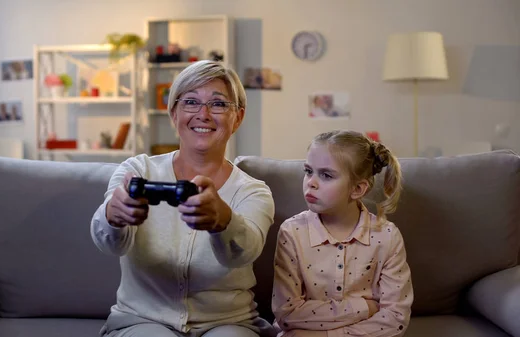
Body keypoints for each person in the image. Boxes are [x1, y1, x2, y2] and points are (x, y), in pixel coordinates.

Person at [90, 60, 277, 337]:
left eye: (218, 104)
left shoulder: (253, 191)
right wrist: (113, 216)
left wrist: (223, 221)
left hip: (228, 323)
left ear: (237, 117)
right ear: (174, 114)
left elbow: (244, 252)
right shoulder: (137, 170)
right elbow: (108, 243)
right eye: (191, 102)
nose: (203, 114)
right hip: (143, 319)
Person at [271, 130, 413, 337]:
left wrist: (325, 335)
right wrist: (365, 307)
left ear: (357, 189)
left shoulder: (387, 237)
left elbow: (396, 319)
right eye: (308, 171)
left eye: (326, 175)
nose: (311, 182)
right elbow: (287, 312)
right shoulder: (292, 232)